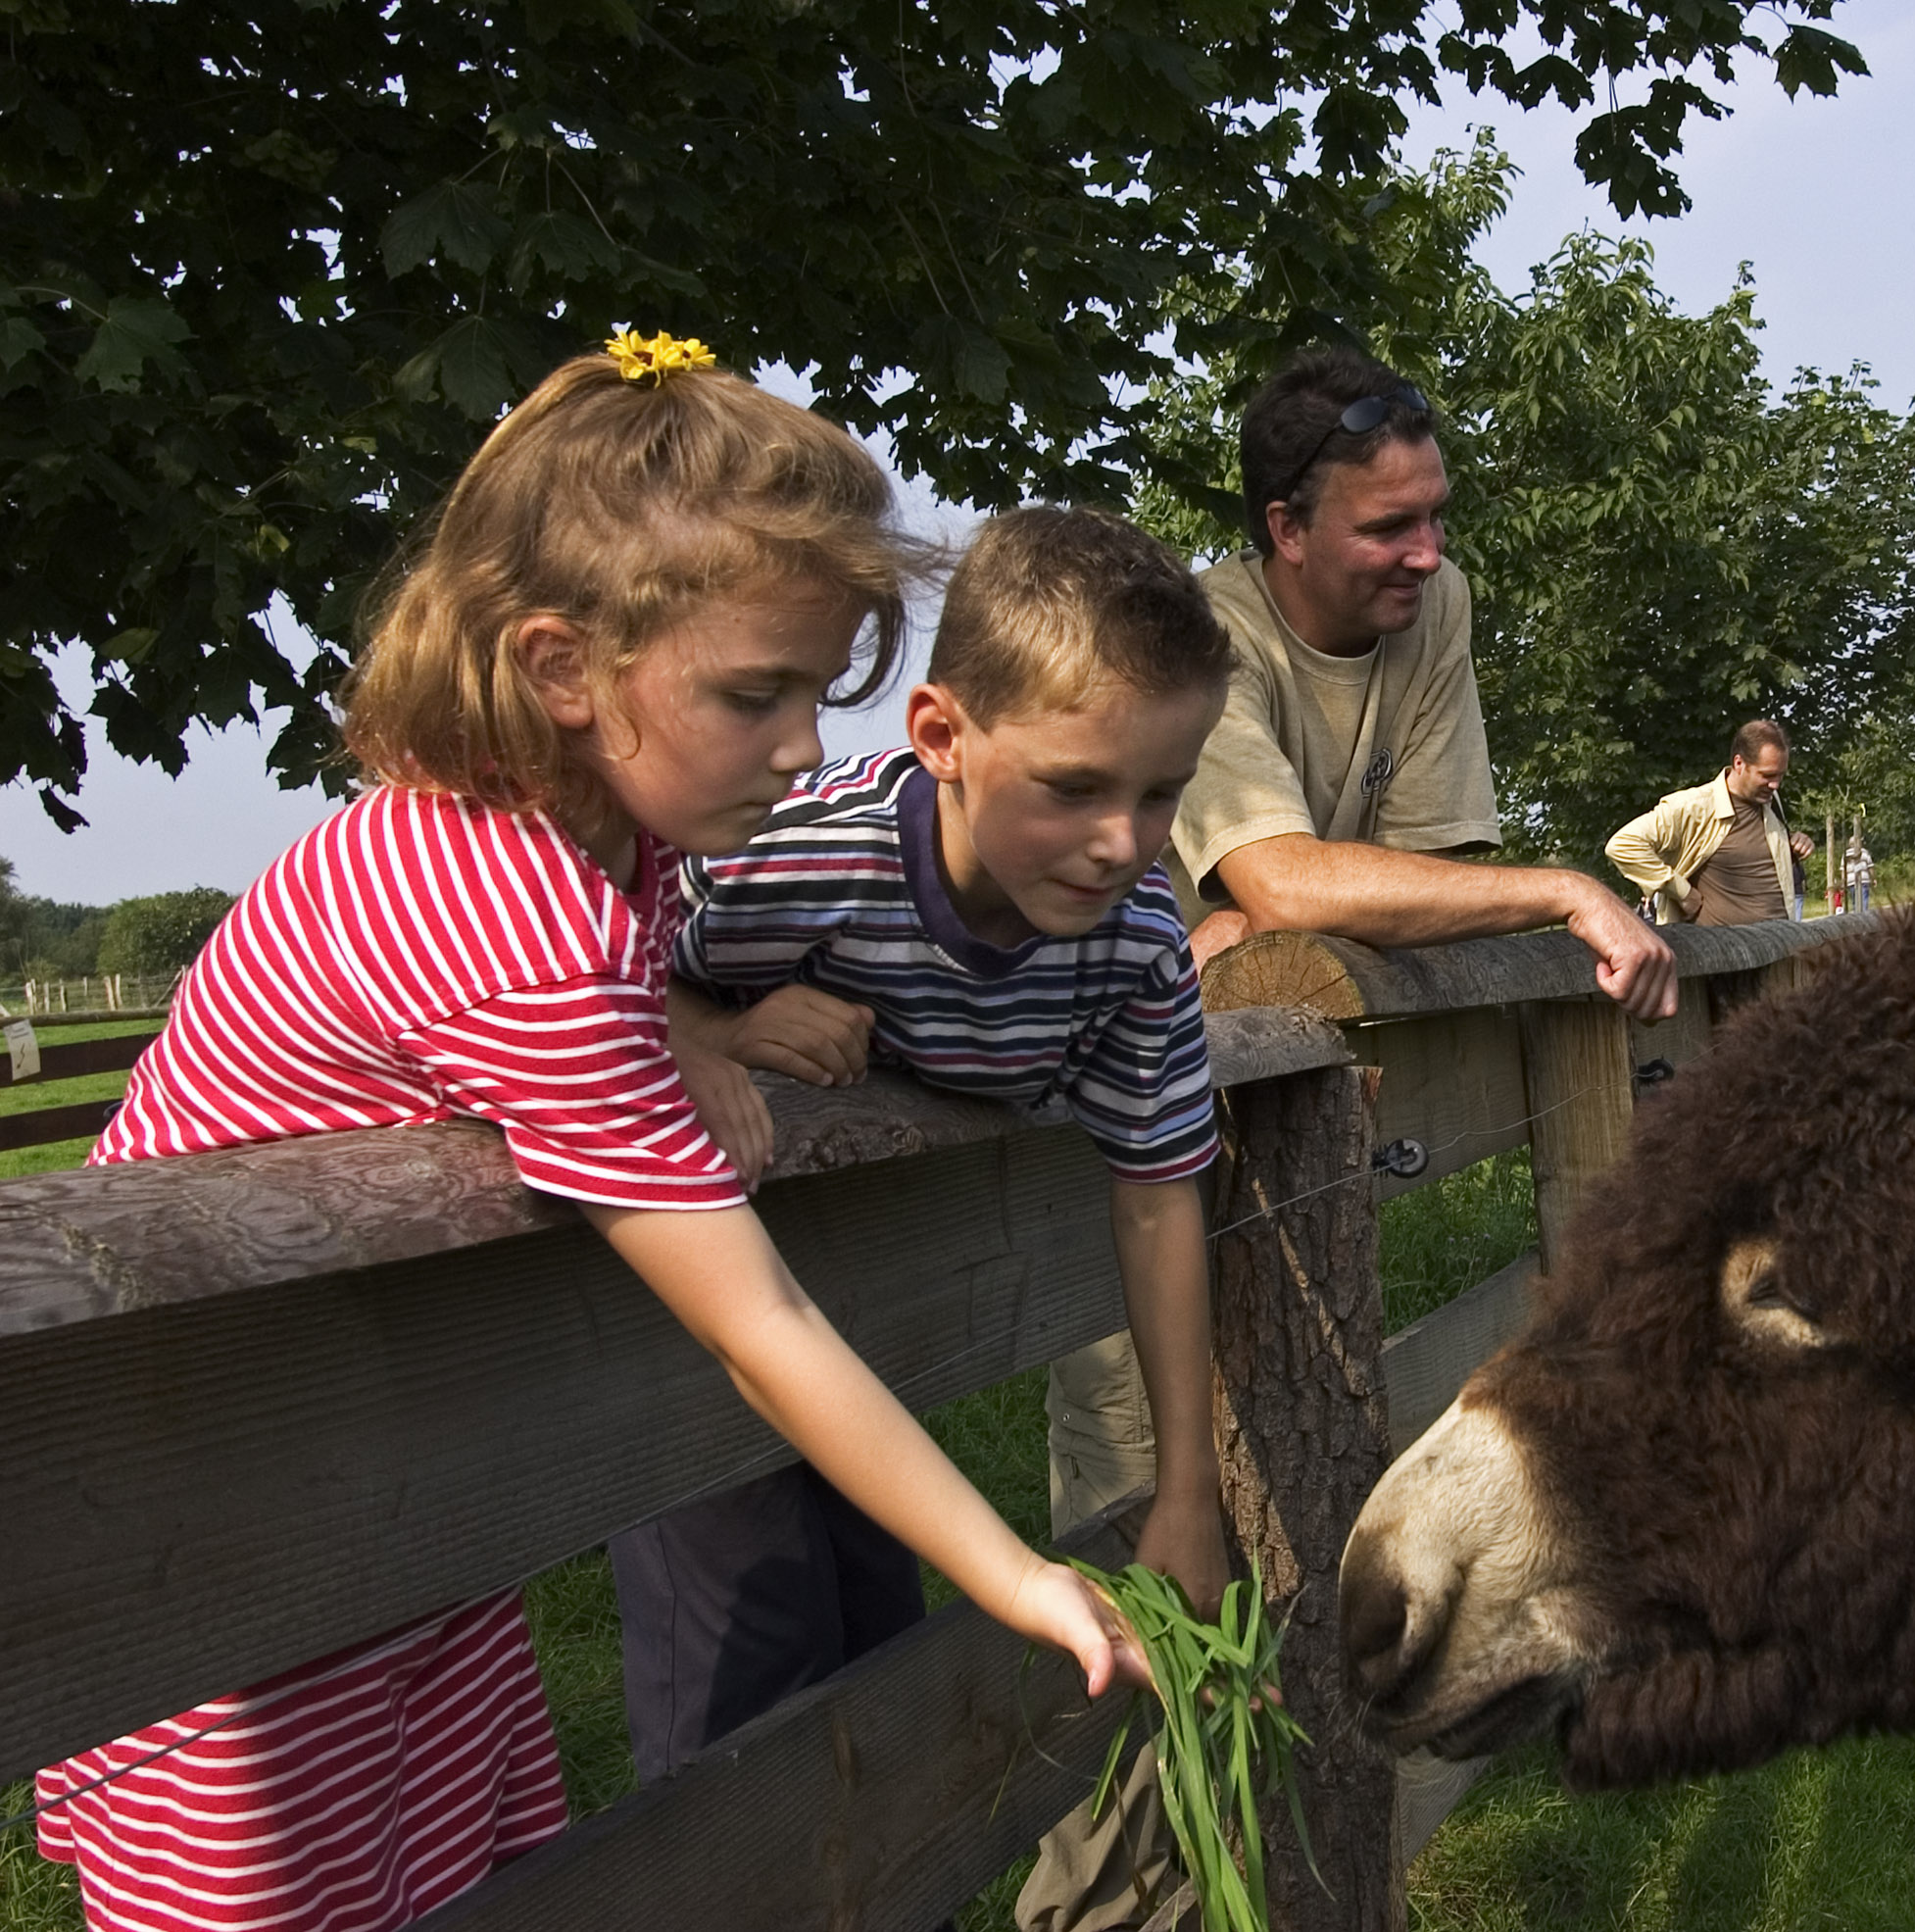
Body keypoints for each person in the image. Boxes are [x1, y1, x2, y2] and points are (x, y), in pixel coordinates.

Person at [29, 336, 1146, 1932]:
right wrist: (1011, 1569)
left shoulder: (547, 842)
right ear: (564, 669)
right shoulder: (516, 918)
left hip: (395, 1498)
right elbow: (755, 1324)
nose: (803, 749)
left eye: (818, 692)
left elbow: (566, 1010)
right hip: (230, 1551)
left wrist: (690, 1030)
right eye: (755, 693)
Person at [649, 508, 1234, 1899]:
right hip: (694, 1324)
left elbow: (1159, 1194)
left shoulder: (1140, 940)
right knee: (746, 1677)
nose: (1121, 841)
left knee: (881, 1658)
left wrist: (1189, 1485)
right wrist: (707, 1034)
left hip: (875, 1329)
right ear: (941, 733)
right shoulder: (792, 856)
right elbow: (585, 974)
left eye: (1163, 795)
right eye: (1078, 784)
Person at [1162, 346, 1677, 1021]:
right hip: (1155, 1032)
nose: (1430, 555)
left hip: (1310, 1008)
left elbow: (1419, 882)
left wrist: (1261, 920)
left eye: (1436, 515)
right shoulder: (1201, 634)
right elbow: (1286, 885)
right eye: (1389, 527)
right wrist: (1568, 891)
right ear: (1288, 528)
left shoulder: (1436, 605)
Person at [1603, 720, 1816, 926]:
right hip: (1723, 957)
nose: (1775, 785)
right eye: (1767, 775)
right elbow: (1623, 845)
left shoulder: (1770, 803)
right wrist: (1682, 892)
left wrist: (1794, 843)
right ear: (1739, 763)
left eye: (1780, 776)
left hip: (1779, 951)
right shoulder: (1694, 806)